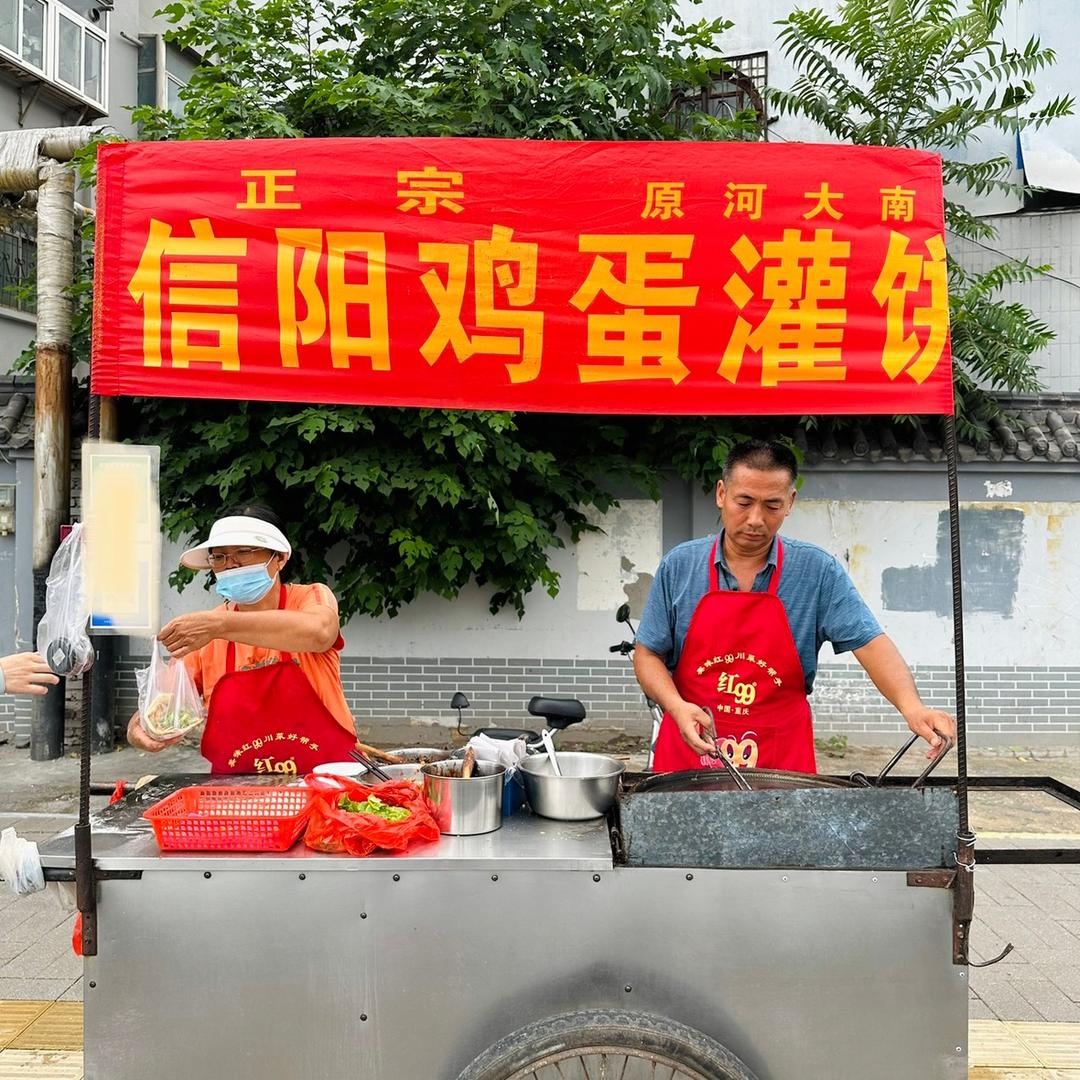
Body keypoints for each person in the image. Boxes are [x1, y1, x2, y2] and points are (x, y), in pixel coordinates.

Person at [633, 440, 955, 775]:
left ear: (790, 502)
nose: (756, 519)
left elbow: (870, 642)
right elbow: (647, 654)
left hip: (781, 759)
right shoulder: (680, 566)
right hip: (690, 750)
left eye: (772, 505)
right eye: (744, 502)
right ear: (721, 494)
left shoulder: (816, 571)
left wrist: (913, 707)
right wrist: (676, 706)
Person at [127, 505, 358, 773]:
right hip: (238, 788)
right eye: (219, 557)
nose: (230, 564)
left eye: (243, 552)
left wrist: (219, 625)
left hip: (325, 777)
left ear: (280, 558)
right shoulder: (208, 633)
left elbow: (319, 632)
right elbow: (166, 703)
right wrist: (141, 727)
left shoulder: (309, 598)